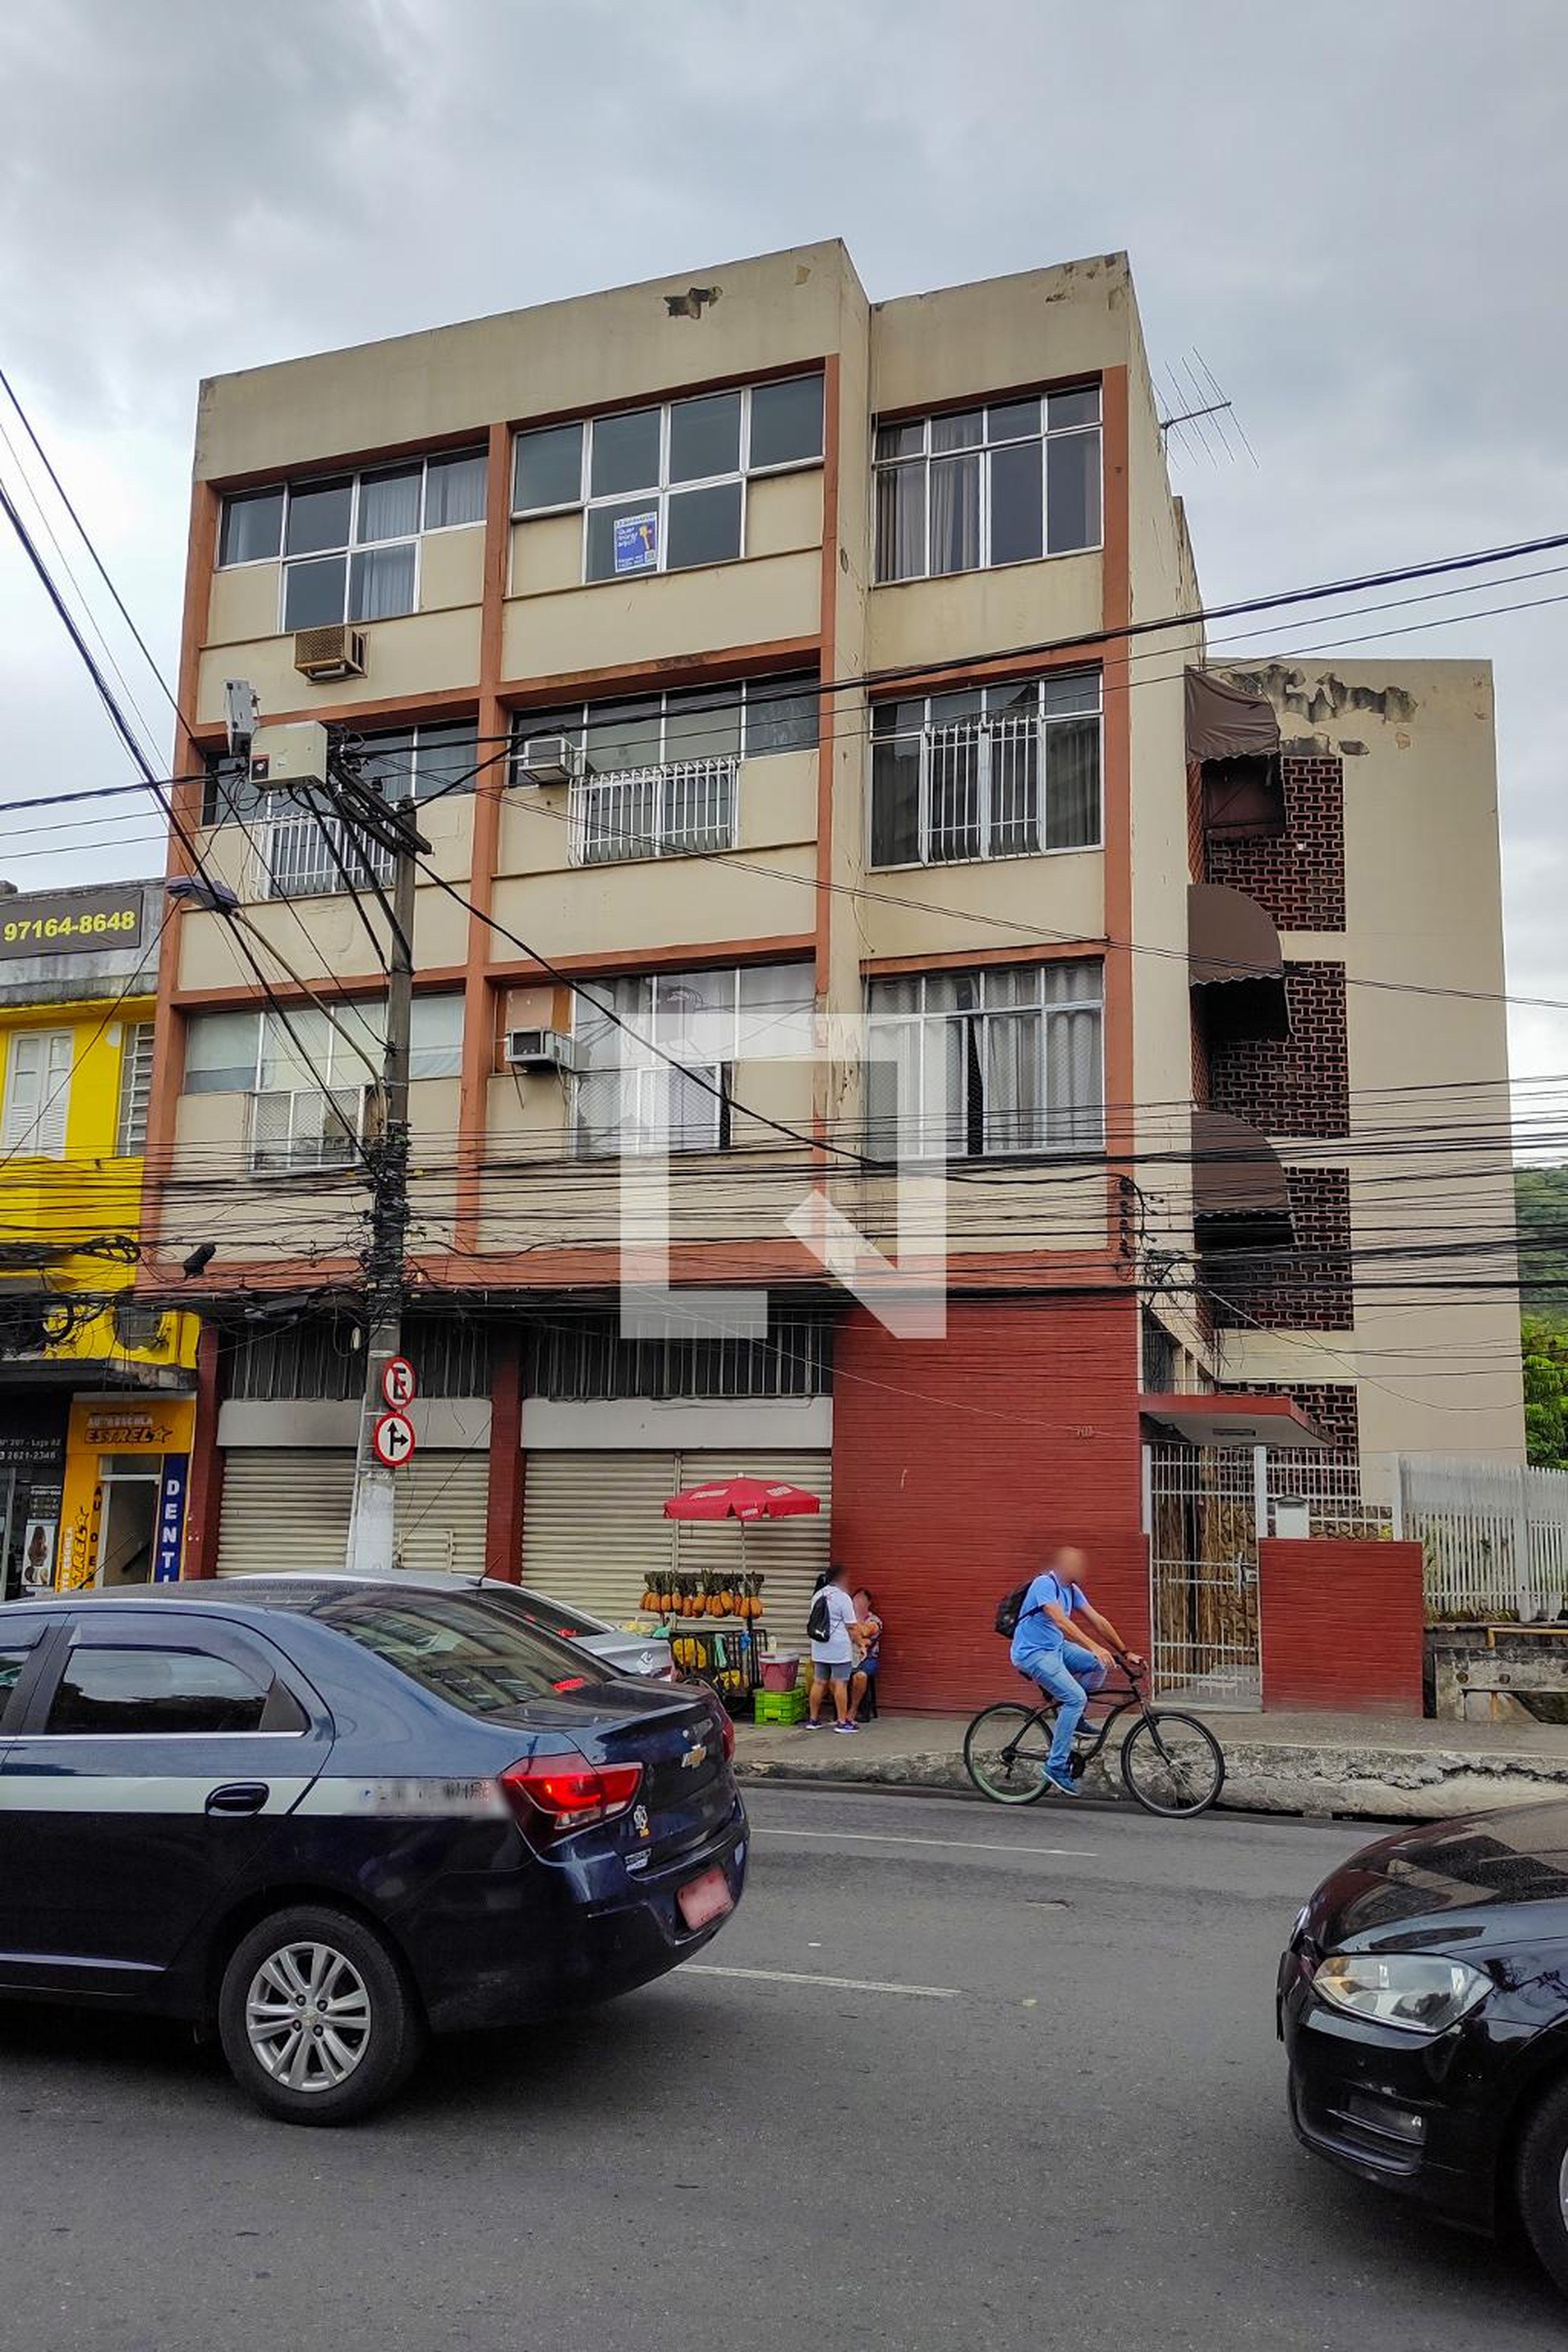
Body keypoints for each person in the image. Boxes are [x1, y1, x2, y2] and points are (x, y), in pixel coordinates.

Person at [1009, 1546, 1143, 1798]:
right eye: (1077, 1565)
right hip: (1033, 1654)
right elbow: (1061, 1621)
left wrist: (1125, 1652)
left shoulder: (1072, 1590)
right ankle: (1056, 1766)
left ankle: (1076, 1718)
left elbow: (1099, 1621)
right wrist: (1094, 1646)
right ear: (1063, 1566)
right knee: (1076, 1698)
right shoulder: (1044, 1585)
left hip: (1056, 1648)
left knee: (1099, 1664)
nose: (1082, 1570)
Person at [805, 1562, 870, 1734]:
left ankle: (813, 1720)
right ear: (840, 1579)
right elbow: (852, 1628)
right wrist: (861, 1644)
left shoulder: (818, 1595)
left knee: (819, 1682)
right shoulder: (843, 1598)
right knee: (841, 1683)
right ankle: (842, 1722)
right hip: (838, 1649)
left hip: (820, 1646)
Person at [850, 1587, 882, 1721]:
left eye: (862, 1600)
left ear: (869, 1603)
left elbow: (865, 1632)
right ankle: (840, 1710)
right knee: (834, 1677)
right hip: (848, 1658)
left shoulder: (875, 1620)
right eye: (856, 1599)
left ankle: (854, 1710)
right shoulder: (847, 1619)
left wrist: (853, 1623)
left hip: (868, 1659)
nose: (858, 1603)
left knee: (861, 1676)